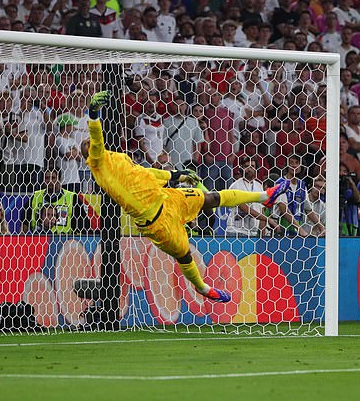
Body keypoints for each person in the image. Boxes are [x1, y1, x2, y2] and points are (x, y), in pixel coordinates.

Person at [80, 91, 291, 303]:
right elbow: (97, 138)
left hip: (168, 197)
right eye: (86, 147)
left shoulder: (117, 158)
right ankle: (203, 288)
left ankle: (265, 196)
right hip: (157, 223)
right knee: (184, 255)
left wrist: (174, 174)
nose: (91, 145)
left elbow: (147, 174)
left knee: (211, 198)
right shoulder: (98, 164)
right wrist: (94, 114)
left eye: (88, 143)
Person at [20, 169, 90, 235]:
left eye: (53, 178)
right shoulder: (36, 196)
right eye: (47, 178)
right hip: (39, 240)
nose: (50, 181)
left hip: (64, 241)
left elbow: (84, 226)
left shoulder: (72, 197)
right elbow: (24, 222)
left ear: (59, 180)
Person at [225, 157, 280, 238]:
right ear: (241, 169)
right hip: (236, 231)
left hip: (252, 233)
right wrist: (269, 220)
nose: (249, 169)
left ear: (256, 169)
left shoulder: (259, 186)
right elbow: (245, 209)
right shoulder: (235, 186)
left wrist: (263, 234)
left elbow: (262, 210)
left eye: (252, 166)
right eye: (246, 166)